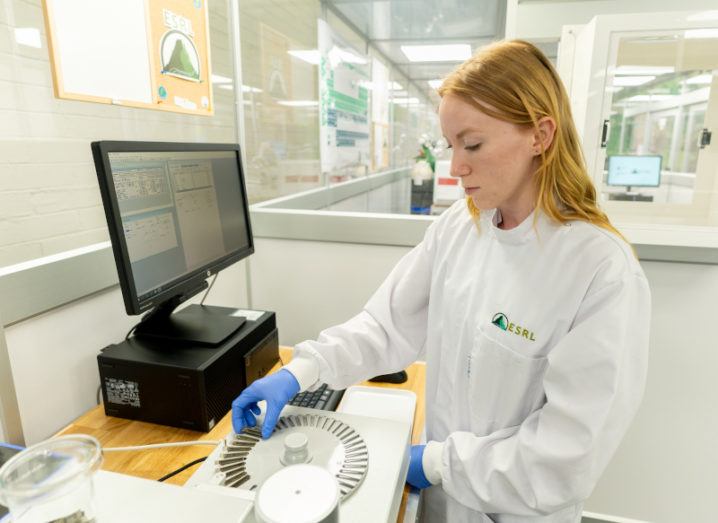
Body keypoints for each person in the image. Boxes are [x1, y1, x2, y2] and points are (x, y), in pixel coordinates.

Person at [231, 40, 651, 523]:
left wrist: (434, 462)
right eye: (450, 146)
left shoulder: (600, 271)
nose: (455, 168)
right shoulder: (461, 226)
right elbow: (387, 325)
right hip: (439, 501)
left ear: (540, 134)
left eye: (472, 145)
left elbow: (565, 458)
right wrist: (301, 371)